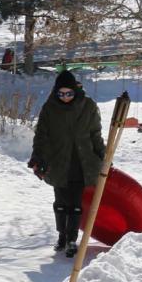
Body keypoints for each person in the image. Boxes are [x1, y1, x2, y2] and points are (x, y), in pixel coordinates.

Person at [28, 70, 105, 257]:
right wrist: (38, 156)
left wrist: (102, 156)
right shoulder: (49, 107)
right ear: (56, 92)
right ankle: (61, 235)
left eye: (69, 93)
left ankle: (72, 239)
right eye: (61, 94)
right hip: (58, 160)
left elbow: (95, 133)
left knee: (76, 202)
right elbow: (41, 135)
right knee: (61, 201)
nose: (65, 97)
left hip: (82, 160)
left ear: (75, 91)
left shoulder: (88, 106)